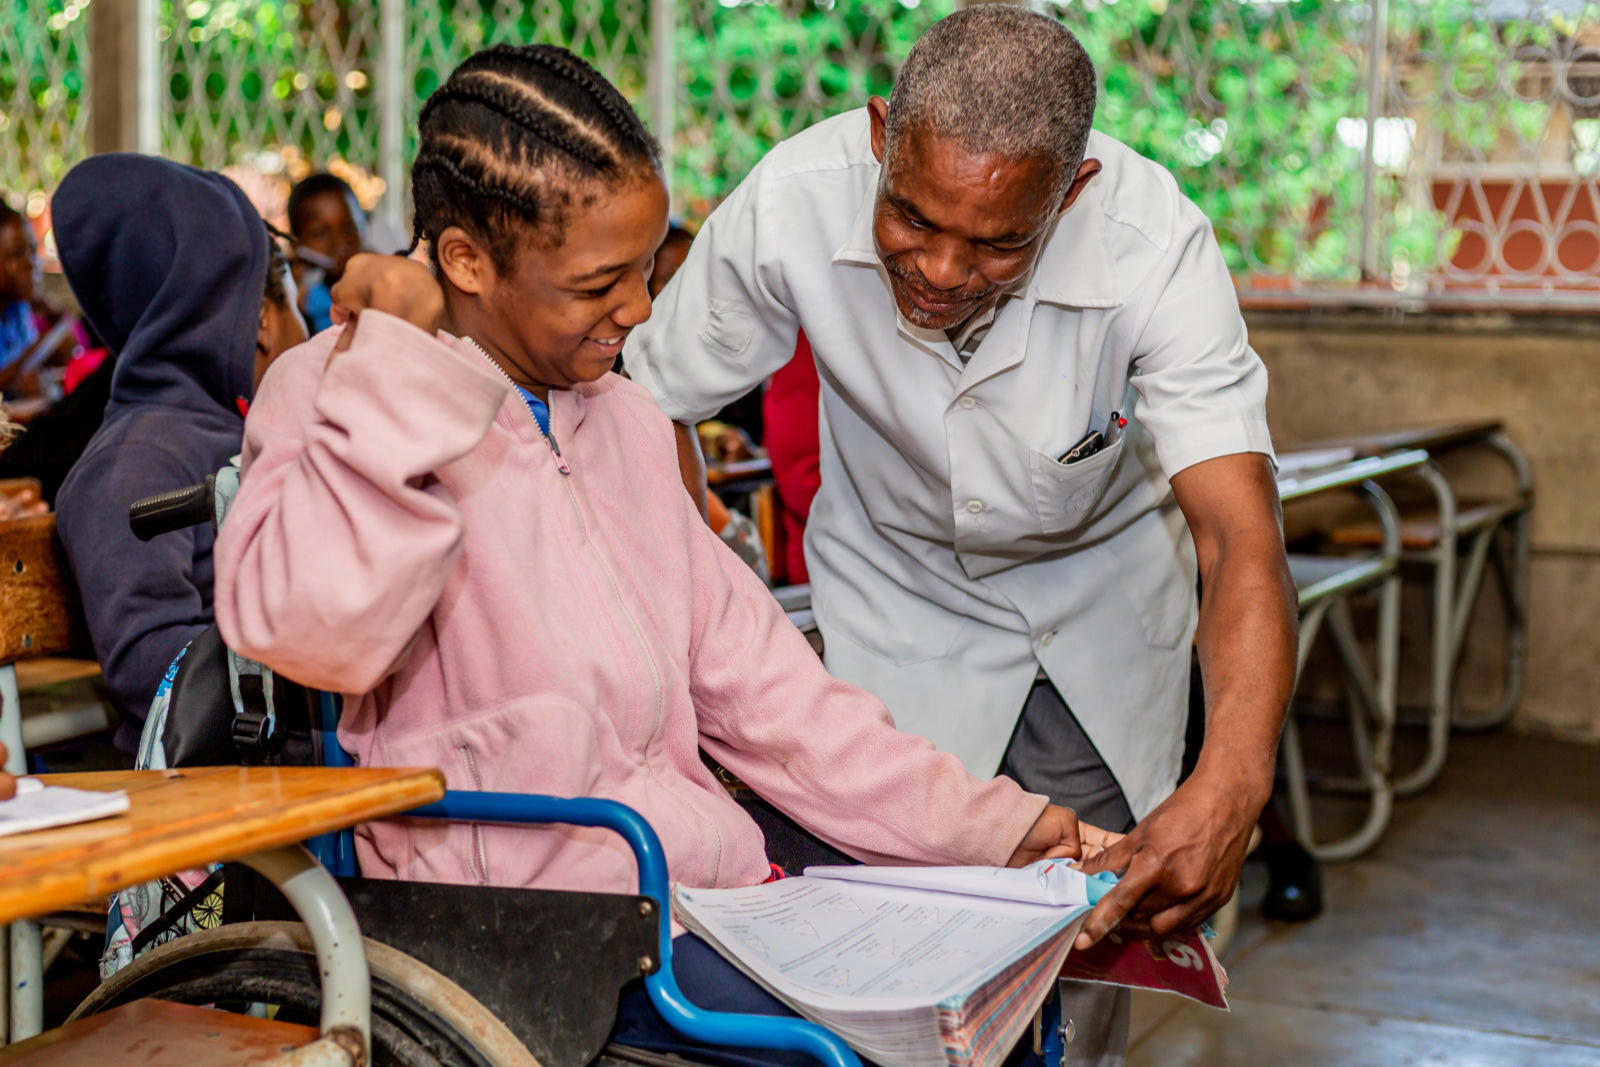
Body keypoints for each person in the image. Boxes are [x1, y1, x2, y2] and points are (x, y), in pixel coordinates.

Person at [212, 44, 1110, 1065]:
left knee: (1005, 988)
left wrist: (997, 825)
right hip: (514, 921)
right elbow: (320, 635)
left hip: (693, 891)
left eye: (643, 268)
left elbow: (776, 700)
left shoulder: (626, 423)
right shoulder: (334, 394)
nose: (639, 308)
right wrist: (398, 368)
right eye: (599, 281)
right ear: (465, 261)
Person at [625, 9, 1298, 1062]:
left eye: (996, 242)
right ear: (881, 133)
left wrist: (1234, 780)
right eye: (911, 217)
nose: (939, 269)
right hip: (894, 609)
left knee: (1077, 961)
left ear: (1069, 194)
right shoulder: (792, 200)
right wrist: (692, 605)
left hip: (1100, 614)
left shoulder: (1154, 244)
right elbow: (645, 399)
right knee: (881, 957)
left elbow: (1240, 537)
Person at [54, 155, 307, 753]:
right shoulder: (137, 460)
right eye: (298, 306)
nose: (312, 331)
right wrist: (310, 672)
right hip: (223, 788)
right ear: (263, 321)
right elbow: (149, 662)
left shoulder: (247, 435)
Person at [286, 172, 365, 334]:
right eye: (321, 233)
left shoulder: (376, 291)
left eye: (349, 228)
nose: (340, 243)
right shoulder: (300, 304)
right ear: (296, 246)